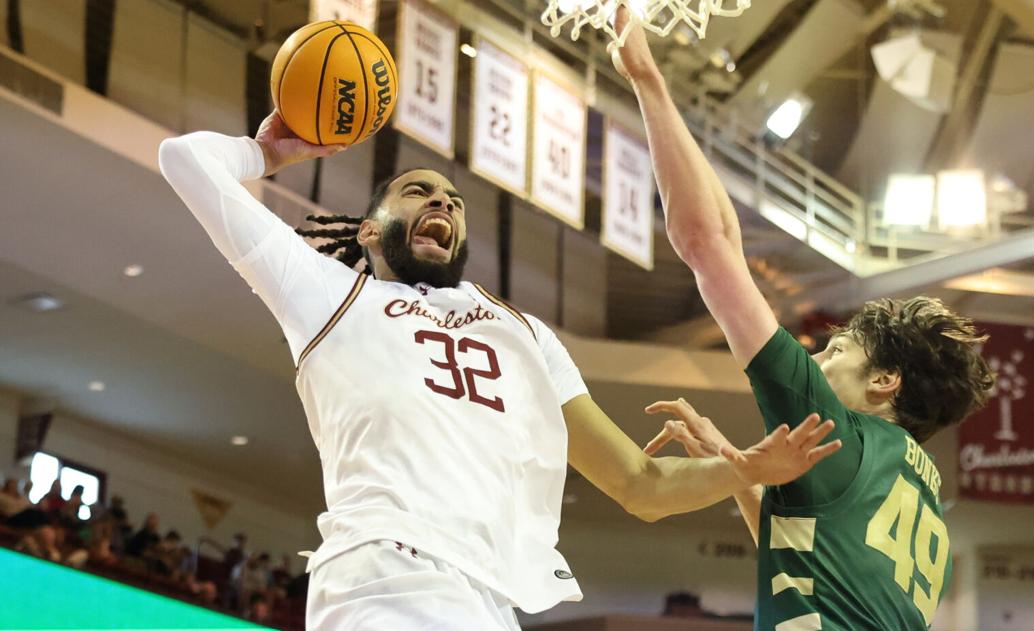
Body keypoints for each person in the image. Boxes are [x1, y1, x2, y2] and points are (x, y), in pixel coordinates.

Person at [159, 108, 838, 629]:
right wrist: (269, 150)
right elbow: (184, 158)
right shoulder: (328, 294)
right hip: (382, 575)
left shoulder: (528, 335)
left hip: (486, 597)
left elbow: (642, 483)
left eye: (453, 201)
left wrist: (744, 469)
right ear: (368, 229)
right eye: (418, 191)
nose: (442, 204)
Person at [613, 10, 995, 630]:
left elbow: (707, 244)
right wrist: (735, 465)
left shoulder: (837, 433)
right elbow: (806, 550)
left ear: (884, 381)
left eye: (836, 351)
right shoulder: (920, 503)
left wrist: (648, 80)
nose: (815, 361)